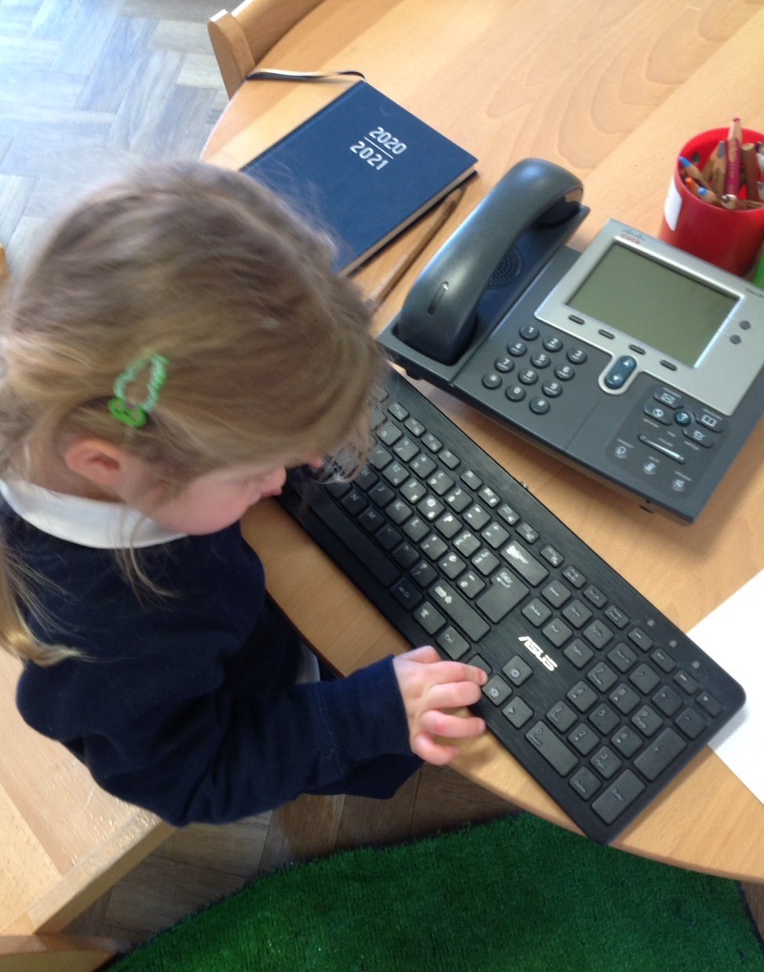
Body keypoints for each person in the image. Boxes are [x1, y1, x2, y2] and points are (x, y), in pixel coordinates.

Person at [0, 161, 487, 826]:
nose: (289, 473)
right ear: (110, 464)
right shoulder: (115, 636)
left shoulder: (106, 448)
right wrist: (364, 717)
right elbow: (192, 777)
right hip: (282, 710)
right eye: (256, 468)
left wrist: (278, 428)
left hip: (251, 609)